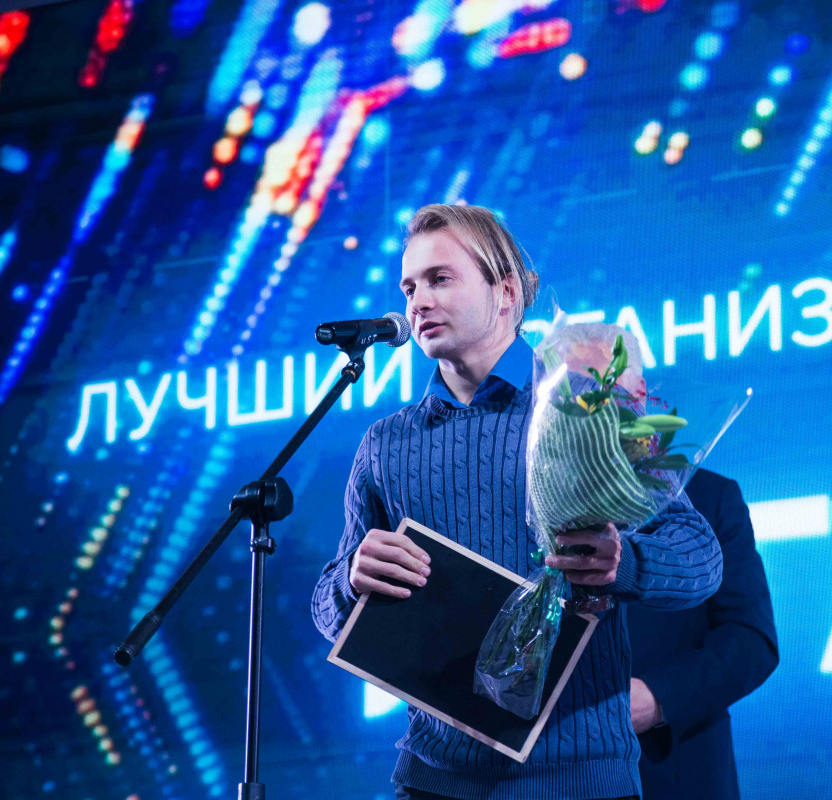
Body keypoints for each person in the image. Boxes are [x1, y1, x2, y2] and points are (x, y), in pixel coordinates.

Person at [310, 203, 723, 800]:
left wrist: (625, 563)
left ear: (505, 292)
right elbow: (329, 613)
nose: (418, 302)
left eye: (439, 279)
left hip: (582, 781)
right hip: (434, 781)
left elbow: (701, 559)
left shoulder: (584, 404)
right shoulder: (385, 444)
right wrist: (352, 580)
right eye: (409, 287)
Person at [627, 468, 779, 800]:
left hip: (675, 769)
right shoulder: (530, 496)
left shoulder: (709, 494)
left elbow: (751, 640)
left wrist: (657, 697)